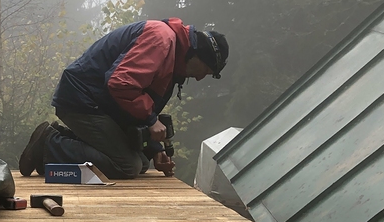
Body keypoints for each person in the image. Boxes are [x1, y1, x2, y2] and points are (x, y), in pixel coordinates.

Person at [18, 18, 228, 180]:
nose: (201, 78)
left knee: (142, 163)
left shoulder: (173, 57)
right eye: (207, 70)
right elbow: (120, 84)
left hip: (98, 102)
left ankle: (57, 145)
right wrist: (150, 121)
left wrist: (155, 150)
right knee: (128, 166)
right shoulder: (162, 39)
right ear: (198, 55)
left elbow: (133, 103)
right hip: (82, 98)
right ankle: (49, 144)